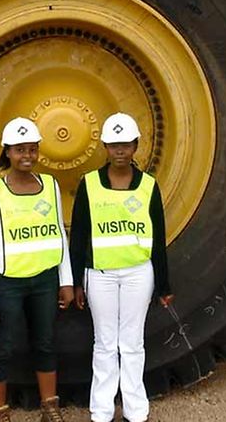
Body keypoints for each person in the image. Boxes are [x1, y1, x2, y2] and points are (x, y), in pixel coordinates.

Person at [69, 112, 174, 422]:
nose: (119, 151)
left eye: (125, 145)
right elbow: (79, 237)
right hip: (99, 275)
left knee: (131, 343)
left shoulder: (148, 186)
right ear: (104, 146)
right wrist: (77, 282)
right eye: (113, 145)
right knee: (104, 343)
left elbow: (158, 238)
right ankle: (101, 411)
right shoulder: (89, 185)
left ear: (135, 146)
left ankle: (135, 410)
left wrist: (164, 286)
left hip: (138, 274)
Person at [0, 117, 74, 422]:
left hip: (44, 279)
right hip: (8, 283)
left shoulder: (50, 186)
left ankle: (50, 407)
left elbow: (59, 233)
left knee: (45, 342)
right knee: (1, 347)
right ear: (7, 152)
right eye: (20, 150)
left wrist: (66, 280)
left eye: (32, 149)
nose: (27, 156)